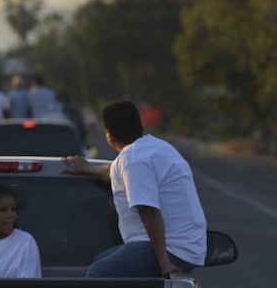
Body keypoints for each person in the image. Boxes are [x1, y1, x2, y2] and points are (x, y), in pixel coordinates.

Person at [61, 100, 206, 278]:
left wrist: (164, 264)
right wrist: (87, 169)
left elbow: (149, 211)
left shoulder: (133, 159)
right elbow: (117, 173)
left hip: (171, 249)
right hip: (184, 246)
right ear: (139, 126)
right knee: (100, 260)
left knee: (97, 274)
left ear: (109, 134)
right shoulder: (155, 148)